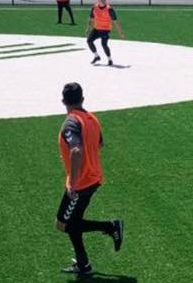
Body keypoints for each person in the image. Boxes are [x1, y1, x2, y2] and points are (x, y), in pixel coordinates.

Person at [54, 82, 124, 275]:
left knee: (63, 223)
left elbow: (76, 150)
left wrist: (74, 184)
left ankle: (111, 227)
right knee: (73, 222)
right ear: (82, 99)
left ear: (63, 101)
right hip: (94, 177)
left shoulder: (71, 122)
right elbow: (98, 144)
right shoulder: (92, 118)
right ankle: (83, 265)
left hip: (81, 183)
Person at [86, 0, 125, 66]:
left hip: (105, 29)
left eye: (104, 0)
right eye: (101, 0)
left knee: (104, 44)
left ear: (106, 0)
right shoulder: (94, 8)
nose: (102, 1)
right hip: (97, 28)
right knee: (89, 41)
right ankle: (96, 56)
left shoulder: (109, 9)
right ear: (98, 0)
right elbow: (91, 19)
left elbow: (116, 22)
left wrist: (120, 33)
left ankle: (109, 59)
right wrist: (88, 28)